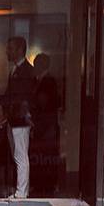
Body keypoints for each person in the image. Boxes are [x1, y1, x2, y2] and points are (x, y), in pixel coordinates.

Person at [2, 36, 35, 198]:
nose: (7, 52)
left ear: (20, 50)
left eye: (11, 48)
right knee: (18, 155)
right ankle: (20, 190)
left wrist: (21, 114)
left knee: (21, 155)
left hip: (20, 120)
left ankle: (22, 192)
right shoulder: (15, 69)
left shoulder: (26, 70)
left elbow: (25, 97)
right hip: (14, 119)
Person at [30, 53, 61, 196]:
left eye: (36, 64)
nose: (34, 67)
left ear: (42, 65)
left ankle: (47, 185)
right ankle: (41, 184)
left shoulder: (48, 81)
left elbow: (44, 102)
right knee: (41, 155)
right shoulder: (40, 80)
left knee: (46, 156)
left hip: (47, 125)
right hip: (43, 125)